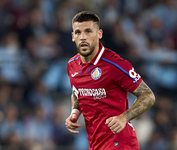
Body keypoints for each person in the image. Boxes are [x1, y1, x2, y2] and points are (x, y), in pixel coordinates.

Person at [65, 11, 155, 150]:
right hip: (95, 144)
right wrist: (74, 112)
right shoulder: (72, 65)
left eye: (88, 31)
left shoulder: (115, 65)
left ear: (99, 34)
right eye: (78, 32)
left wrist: (124, 118)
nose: (82, 37)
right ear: (73, 36)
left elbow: (148, 95)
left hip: (120, 143)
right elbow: (77, 92)